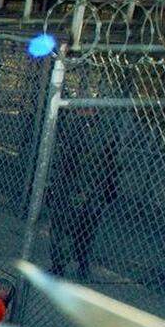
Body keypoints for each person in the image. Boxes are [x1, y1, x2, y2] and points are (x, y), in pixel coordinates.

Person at [45, 110, 120, 280]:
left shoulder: (86, 128)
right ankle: (70, 264)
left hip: (83, 188)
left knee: (77, 228)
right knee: (80, 228)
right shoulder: (84, 126)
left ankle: (69, 264)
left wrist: (109, 187)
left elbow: (111, 162)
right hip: (82, 188)